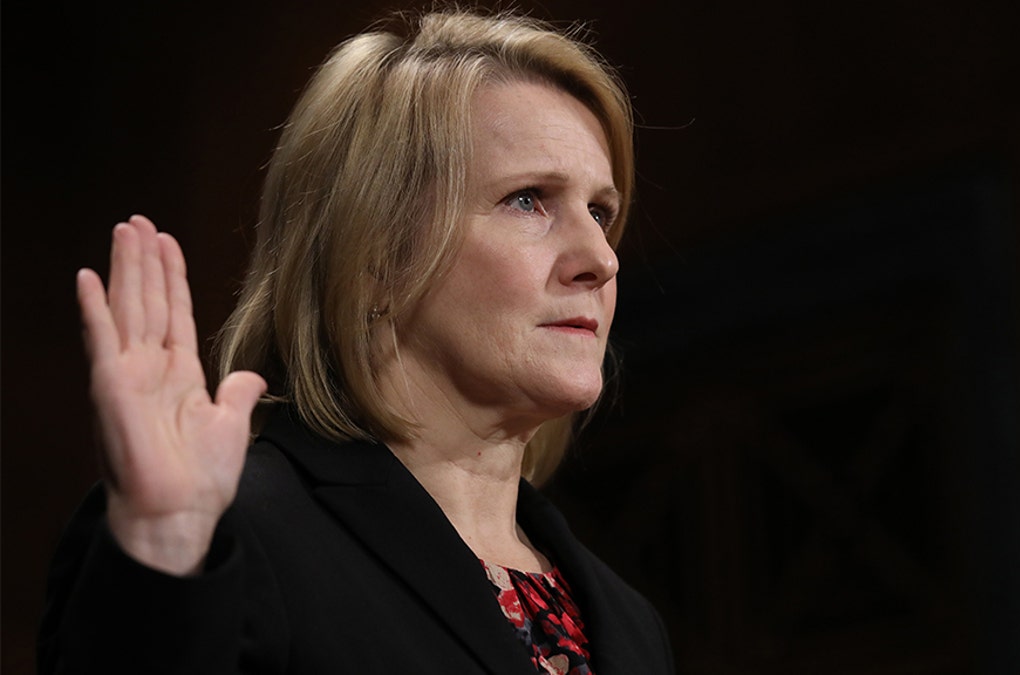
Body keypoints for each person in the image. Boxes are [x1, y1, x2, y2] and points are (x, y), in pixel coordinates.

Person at [39, 9, 674, 674]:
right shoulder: (222, 537)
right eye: (529, 199)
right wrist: (160, 551)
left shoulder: (629, 621)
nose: (601, 258)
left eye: (601, 211)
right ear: (373, 258)